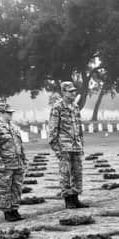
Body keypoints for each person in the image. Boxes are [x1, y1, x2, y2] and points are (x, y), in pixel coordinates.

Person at [48, 81, 88, 209]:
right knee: (65, 174)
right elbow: (53, 128)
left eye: (74, 91)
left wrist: (81, 144)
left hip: (75, 146)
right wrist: (55, 147)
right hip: (63, 146)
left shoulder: (75, 107)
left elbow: (79, 127)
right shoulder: (57, 107)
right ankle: (67, 199)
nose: (73, 93)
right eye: (70, 91)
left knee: (77, 173)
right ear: (63, 92)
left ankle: (75, 197)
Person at [0, 101, 26, 221]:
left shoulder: (13, 127)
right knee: (4, 189)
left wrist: (23, 160)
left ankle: (14, 209)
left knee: (16, 188)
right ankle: (7, 212)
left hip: (17, 163)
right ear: (1, 113)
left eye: (11, 113)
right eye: (8, 113)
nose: (11, 115)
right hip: (5, 164)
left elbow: (19, 144)